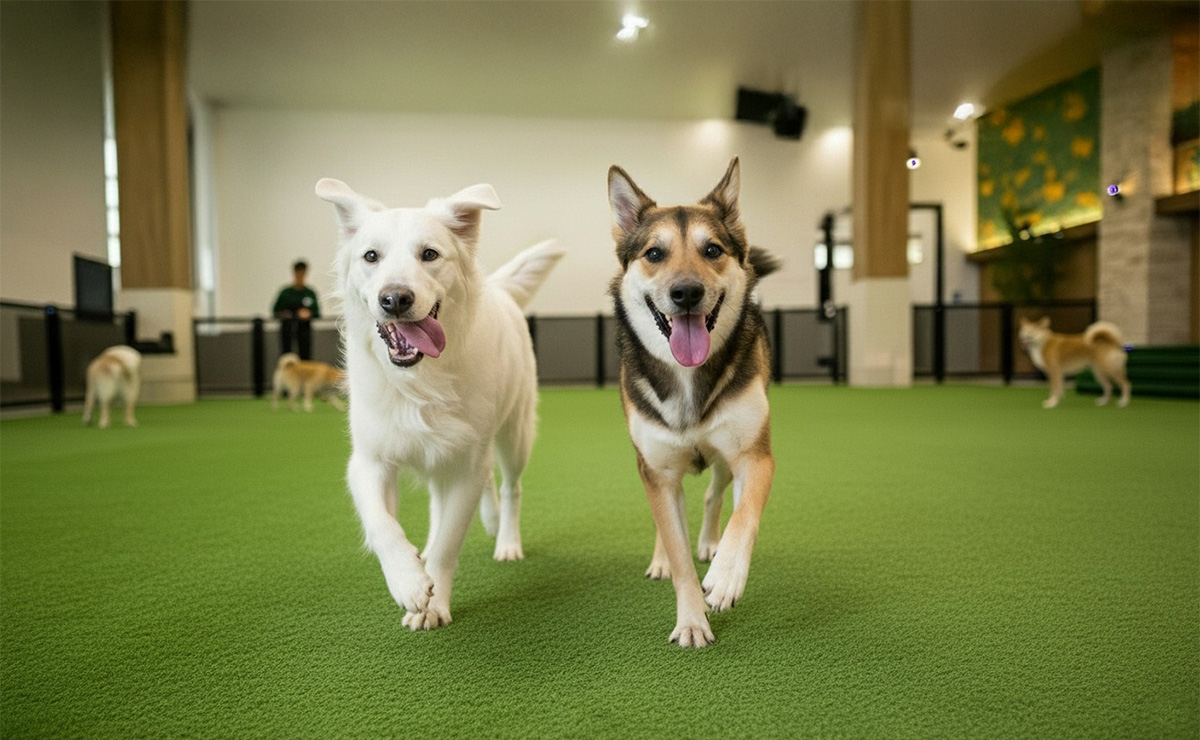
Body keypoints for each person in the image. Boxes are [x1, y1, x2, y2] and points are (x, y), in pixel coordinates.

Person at [273, 260, 321, 359]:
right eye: (298, 272)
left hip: (304, 330)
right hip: (287, 329)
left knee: (305, 356)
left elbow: (317, 312)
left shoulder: (309, 293)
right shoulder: (285, 293)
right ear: (294, 272)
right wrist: (284, 314)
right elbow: (275, 311)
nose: (300, 275)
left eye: (302, 272)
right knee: (287, 356)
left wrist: (308, 314)